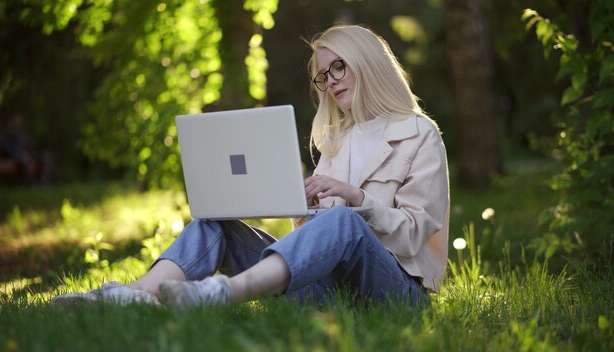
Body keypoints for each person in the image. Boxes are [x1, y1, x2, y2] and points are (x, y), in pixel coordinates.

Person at [50, 25, 449, 308]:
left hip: (394, 292)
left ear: (367, 61)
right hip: (331, 290)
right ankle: (134, 296)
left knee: (346, 222)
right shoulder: (337, 141)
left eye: (338, 67)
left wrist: (355, 198)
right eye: (323, 76)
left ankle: (223, 294)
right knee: (214, 221)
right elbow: (324, 237)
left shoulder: (419, 134)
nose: (330, 82)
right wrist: (297, 208)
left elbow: (413, 235)